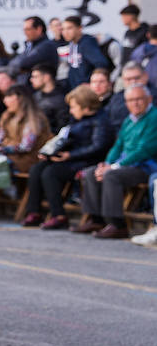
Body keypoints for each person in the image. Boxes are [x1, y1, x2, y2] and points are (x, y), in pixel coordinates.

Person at [21, 87, 115, 229]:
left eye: (73, 107)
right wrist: (49, 152)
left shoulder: (101, 121)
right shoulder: (77, 119)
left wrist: (70, 155)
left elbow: (98, 147)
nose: (71, 110)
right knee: (36, 169)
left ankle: (59, 215)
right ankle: (34, 212)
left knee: (50, 173)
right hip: (69, 158)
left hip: (87, 161)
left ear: (86, 107)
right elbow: (65, 138)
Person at [73, 85, 157, 239]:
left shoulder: (154, 117)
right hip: (125, 164)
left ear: (149, 99)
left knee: (112, 176)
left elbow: (145, 150)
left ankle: (117, 224)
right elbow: (118, 146)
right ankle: (96, 219)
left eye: (139, 99)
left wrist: (112, 167)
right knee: (91, 173)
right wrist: (106, 164)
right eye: (131, 100)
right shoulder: (129, 120)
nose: (135, 103)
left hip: (146, 166)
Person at [58, 15, 114, 89]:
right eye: (63, 29)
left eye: (69, 28)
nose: (65, 32)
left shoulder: (87, 43)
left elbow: (101, 63)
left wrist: (93, 83)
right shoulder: (72, 43)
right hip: (76, 89)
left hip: (87, 91)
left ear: (80, 28)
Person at [29, 64, 69, 132]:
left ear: (46, 77)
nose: (31, 80)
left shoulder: (61, 100)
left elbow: (61, 127)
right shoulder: (35, 96)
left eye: (35, 77)